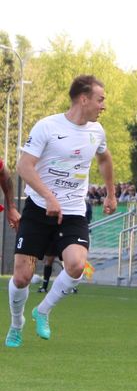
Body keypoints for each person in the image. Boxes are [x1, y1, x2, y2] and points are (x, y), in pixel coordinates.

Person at [7, 75, 116, 348]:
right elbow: (24, 166)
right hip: (39, 209)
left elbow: (104, 158)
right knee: (21, 277)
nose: (103, 106)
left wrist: (111, 193)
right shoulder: (48, 126)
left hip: (74, 212)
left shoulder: (97, 132)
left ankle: (42, 310)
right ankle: (16, 323)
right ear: (83, 98)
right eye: (100, 100)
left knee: (77, 264)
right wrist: (48, 197)